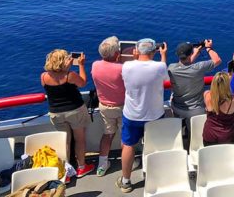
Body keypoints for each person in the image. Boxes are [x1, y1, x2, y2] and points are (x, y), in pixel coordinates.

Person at [116, 39, 168, 194]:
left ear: (136, 51)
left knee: (128, 145)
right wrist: (163, 56)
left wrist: (134, 57)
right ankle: (156, 177)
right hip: (155, 115)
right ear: (154, 51)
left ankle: (126, 181)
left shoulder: (126, 66)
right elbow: (165, 77)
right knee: (155, 146)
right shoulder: (160, 66)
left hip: (132, 114)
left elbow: (131, 69)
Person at [40, 49, 95, 178]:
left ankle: (65, 173)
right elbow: (82, 83)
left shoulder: (43, 76)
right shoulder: (69, 75)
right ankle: (81, 167)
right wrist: (81, 65)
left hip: (56, 113)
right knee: (79, 140)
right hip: (74, 111)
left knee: (64, 142)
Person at [91, 36, 125, 177]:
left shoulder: (95, 65)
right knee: (125, 137)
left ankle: (102, 165)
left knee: (107, 135)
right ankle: (126, 163)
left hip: (105, 107)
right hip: (123, 107)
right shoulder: (122, 68)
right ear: (117, 54)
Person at [167, 39, 221, 119]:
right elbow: (217, 60)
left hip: (177, 108)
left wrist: (196, 51)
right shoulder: (198, 68)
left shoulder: (171, 68)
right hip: (196, 110)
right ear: (191, 54)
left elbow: (185, 65)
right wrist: (208, 48)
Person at [202, 71, 234, 146]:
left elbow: (217, 94)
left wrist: (223, 80)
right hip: (228, 137)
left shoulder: (207, 95)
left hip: (210, 135)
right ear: (227, 85)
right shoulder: (233, 100)